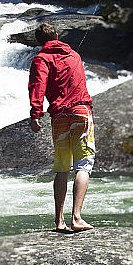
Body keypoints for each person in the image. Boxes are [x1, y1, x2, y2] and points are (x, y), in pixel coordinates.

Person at [28, 23, 95, 232]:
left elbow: (37, 85)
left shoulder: (41, 58)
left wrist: (35, 113)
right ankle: (77, 217)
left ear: (39, 42)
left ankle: (59, 221)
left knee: (62, 167)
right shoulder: (74, 55)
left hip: (59, 115)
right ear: (57, 35)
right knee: (83, 165)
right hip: (81, 111)